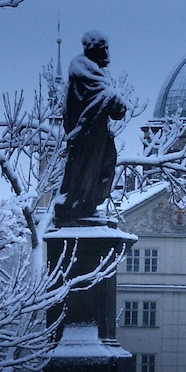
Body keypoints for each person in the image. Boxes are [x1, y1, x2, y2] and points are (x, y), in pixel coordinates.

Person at [54, 31, 127, 227]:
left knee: (103, 170)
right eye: (104, 49)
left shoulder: (94, 73)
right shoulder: (84, 72)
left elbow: (114, 107)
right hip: (87, 137)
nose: (107, 54)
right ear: (94, 49)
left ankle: (84, 204)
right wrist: (112, 98)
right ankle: (77, 204)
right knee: (85, 174)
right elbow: (110, 102)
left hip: (97, 136)